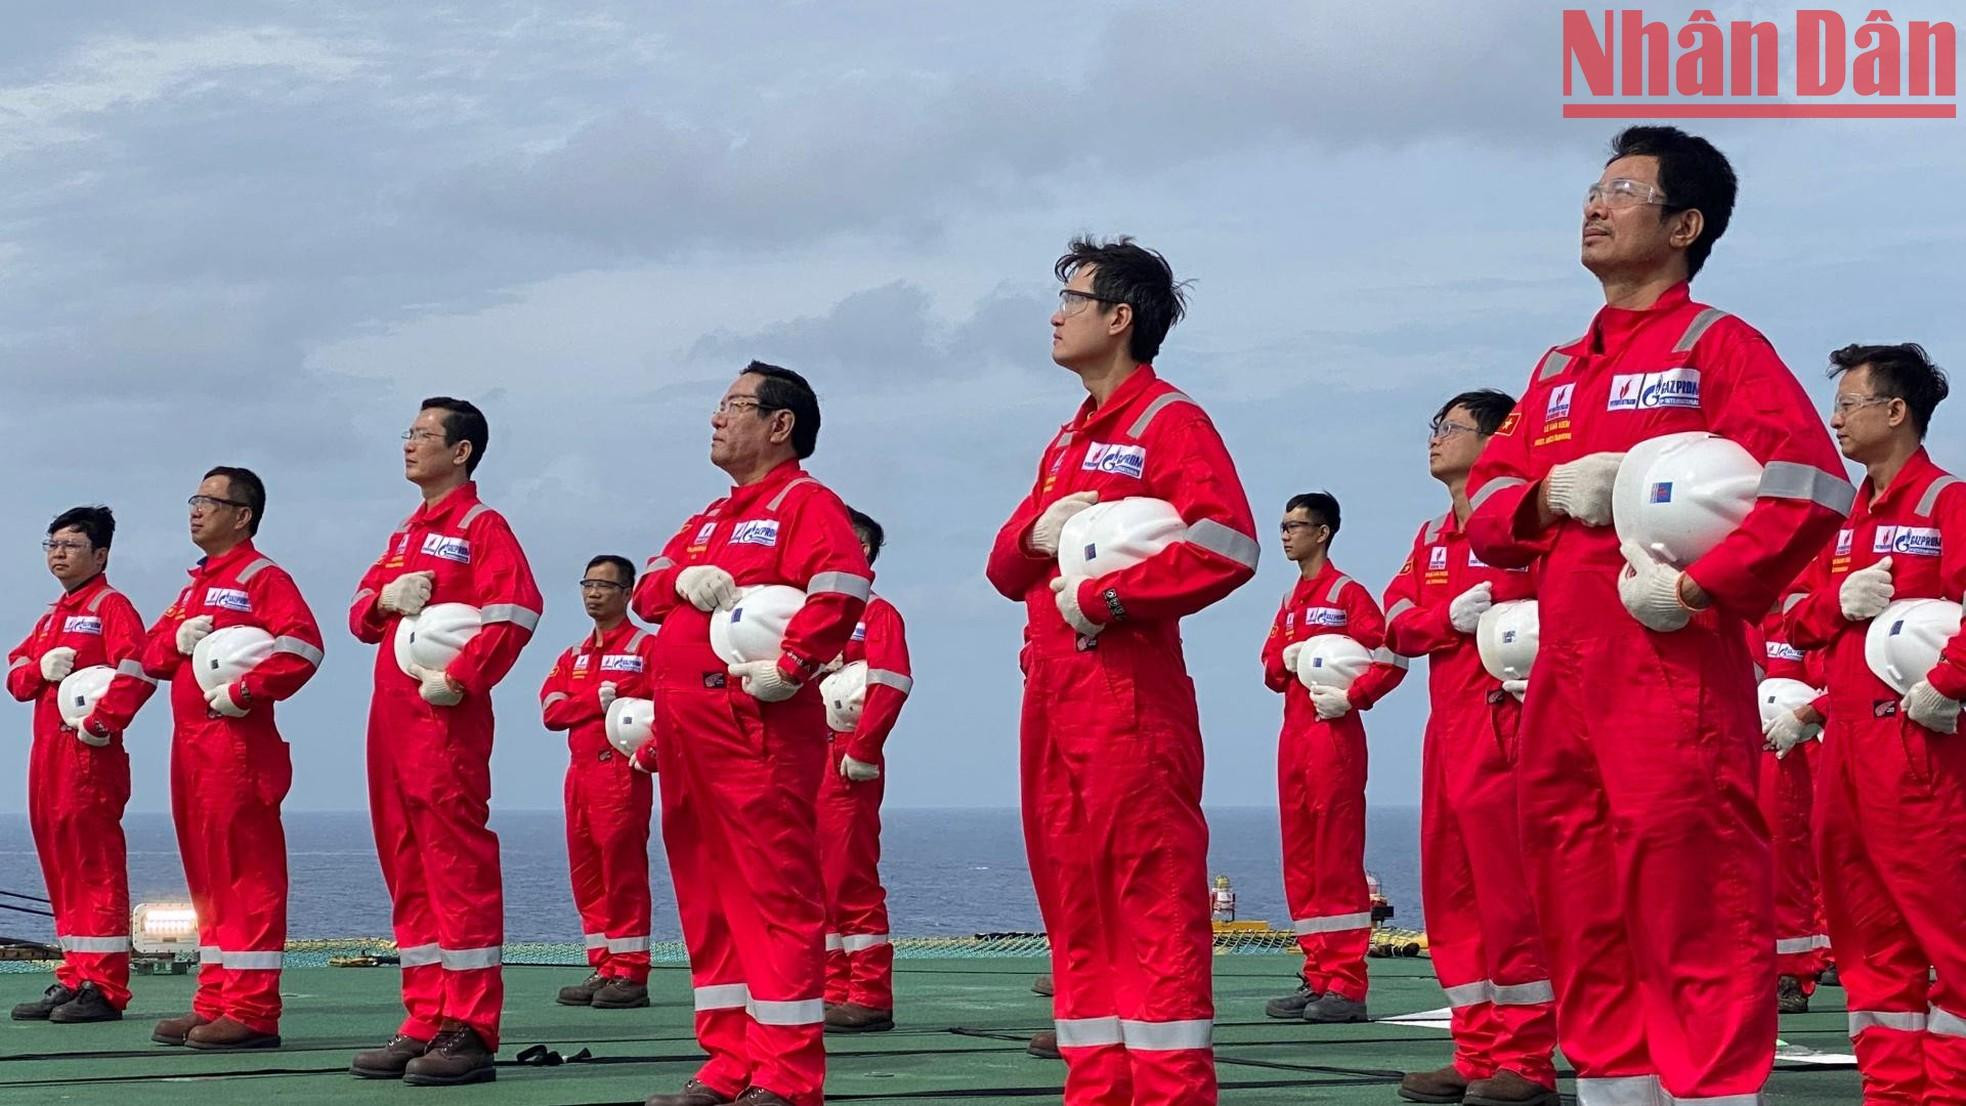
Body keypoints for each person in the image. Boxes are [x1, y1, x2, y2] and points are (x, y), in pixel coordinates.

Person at [1464, 126, 1852, 1106]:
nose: (1594, 206)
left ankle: (1712, 1091)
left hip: (1670, 676)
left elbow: (1809, 487)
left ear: (1684, 224)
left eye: (1623, 191)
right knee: (1580, 898)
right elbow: (1486, 511)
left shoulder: (1713, 345)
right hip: (1567, 679)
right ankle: (1611, 1086)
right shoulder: (1558, 367)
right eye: (1593, 190)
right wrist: (1549, 497)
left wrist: (1699, 587)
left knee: (1694, 898)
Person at [986, 237, 1259, 1106]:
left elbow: (1228, 544)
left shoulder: (1170, 422)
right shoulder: (1067, 438)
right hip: (1053, 695)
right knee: (1072, 897)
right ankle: (1096, 1085)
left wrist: (1109, 599)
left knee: (1151, 895)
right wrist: (1034, 534)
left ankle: (1171, 1089)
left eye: (1072, 296)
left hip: (1127, 694)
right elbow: (1002, 570)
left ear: (1119, 318)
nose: (1056, 313)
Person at [633, 362, 871, 1106]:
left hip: (751, 727)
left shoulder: (808, 504)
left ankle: (788, 1073)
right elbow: (646, 592)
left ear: (779, 424)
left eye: (734, 405)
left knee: (774, 898)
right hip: (685, 730)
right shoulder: (709, 518)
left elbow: (842, 587)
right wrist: (678, 582)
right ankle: (729, 1061)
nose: (716, 418)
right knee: (708, 901)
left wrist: (795, 665)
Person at [1782, 342, 1965, 1104]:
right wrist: (1839, 602)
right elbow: (1793, 619)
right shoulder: (1841, 525)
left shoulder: (1948, 504)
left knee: (1949, 936)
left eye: (1848, 404)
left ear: (1896, 412)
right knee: (1867, 943)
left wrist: (1950, 684)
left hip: (1921, 751)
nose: (1835, 420)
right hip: (1848, 753)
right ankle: (1892, 1093)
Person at [347, 397, 542, 1086]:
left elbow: (517, 610)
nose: (409, 444)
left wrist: (461, 679)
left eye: (423, 434)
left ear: (460, 451)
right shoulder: (405, 533)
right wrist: (385, 600)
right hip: (390, 718)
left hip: (442, 719)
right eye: (408, 432)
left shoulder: (482, 527)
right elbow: (358, 615)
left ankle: (470, 1026)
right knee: (406, 867)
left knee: (456, 868)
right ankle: (424, 1016)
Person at [98, 469, 324, 1049]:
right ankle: (217, 999)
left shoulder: (262, 578)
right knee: (207, 879)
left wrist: (246, 691)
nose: (195, 511)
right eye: (193, 500)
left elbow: (303, 646)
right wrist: (176, 641)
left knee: (246, 875)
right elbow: (148, 654)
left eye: (208, 501)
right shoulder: (196, 587)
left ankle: (252, 1010)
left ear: (242, 514)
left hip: (238, 748)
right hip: (192, 749)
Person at [1382, 392, 1558, 1106]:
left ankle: (1526, 1060)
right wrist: (1442, 620)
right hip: (1447, 733)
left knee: (1511, 898)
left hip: (1506, 727)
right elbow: (1393, 619)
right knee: (1452, 898)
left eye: (1449, 428)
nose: (1435, 438)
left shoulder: (1524, 534)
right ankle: (1477, 1049)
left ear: (1494, 443)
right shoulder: (1430, 537)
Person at [1258, 491, 1405, 1025]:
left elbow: (1392, 652)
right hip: (1294, 738)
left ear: (1322, 533)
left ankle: (1346, 983)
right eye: (1283, 523)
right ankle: (1318, 973)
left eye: (1295, 525)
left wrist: (1354, 696)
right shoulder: (1291, 600)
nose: (1285, 534)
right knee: (1301, 858)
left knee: (1335, 856)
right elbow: (1270, 669)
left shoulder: (1347, 593)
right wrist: (1286, 657)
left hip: (1333, 735)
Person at [7, 506, 152, 1025]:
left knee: (95, 866)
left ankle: (105, 985)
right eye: (52, 544)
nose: (59, 553)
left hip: (88, 755)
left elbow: (140, 670)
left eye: (70, 544)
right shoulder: (51, 617)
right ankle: (75, 974)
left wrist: (101, 724)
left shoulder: (112, 608)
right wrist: (39, 668)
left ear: (101, 554)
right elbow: (17, 676)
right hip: (47, 758)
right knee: (62, 867)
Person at [540, 555, 660, 1010]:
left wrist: (651, 756)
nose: (593, 593)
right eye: (587, 584)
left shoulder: (646, 650)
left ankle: (631, 972)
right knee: (587, 871)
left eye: (605, 586)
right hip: (580, 772)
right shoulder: (572, 656)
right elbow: (552, 711)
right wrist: (596, 698)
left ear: (627, 593)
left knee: (622, 870)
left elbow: (669, 708)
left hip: (621, 772)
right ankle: (604, 964)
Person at [820, 508, 914, 1034]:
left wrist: (865, 747)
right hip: (800, 757)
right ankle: (833, 988)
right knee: (813, 879)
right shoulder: (801, 610)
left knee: (848, 874)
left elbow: (891, 680)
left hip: (844, 756)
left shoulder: (877, 615)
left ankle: (870, 993)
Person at [1753, 598, 1832, 1016]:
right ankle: (1771, 965)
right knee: (1767, 857)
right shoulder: (1756, 615)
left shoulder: (1809, 620)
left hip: (1809, 745)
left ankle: (1798, 970)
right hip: (1759, 744)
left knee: (1804, 857)